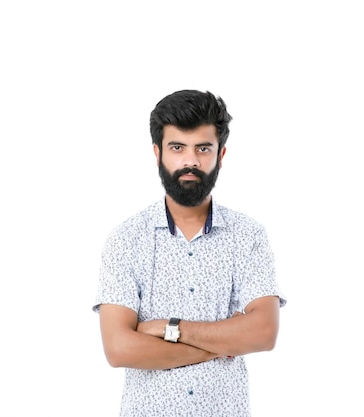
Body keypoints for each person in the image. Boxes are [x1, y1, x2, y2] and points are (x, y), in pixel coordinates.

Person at [93, 89, 287, 417]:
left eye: (203, 148)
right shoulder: (125, 240)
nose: (190, 161)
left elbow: (263, 332)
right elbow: (119, 348)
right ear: (158, 153)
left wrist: (172, 329)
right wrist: (221, 342)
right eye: (177, 147)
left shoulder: (249, 236)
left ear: (220, 154)